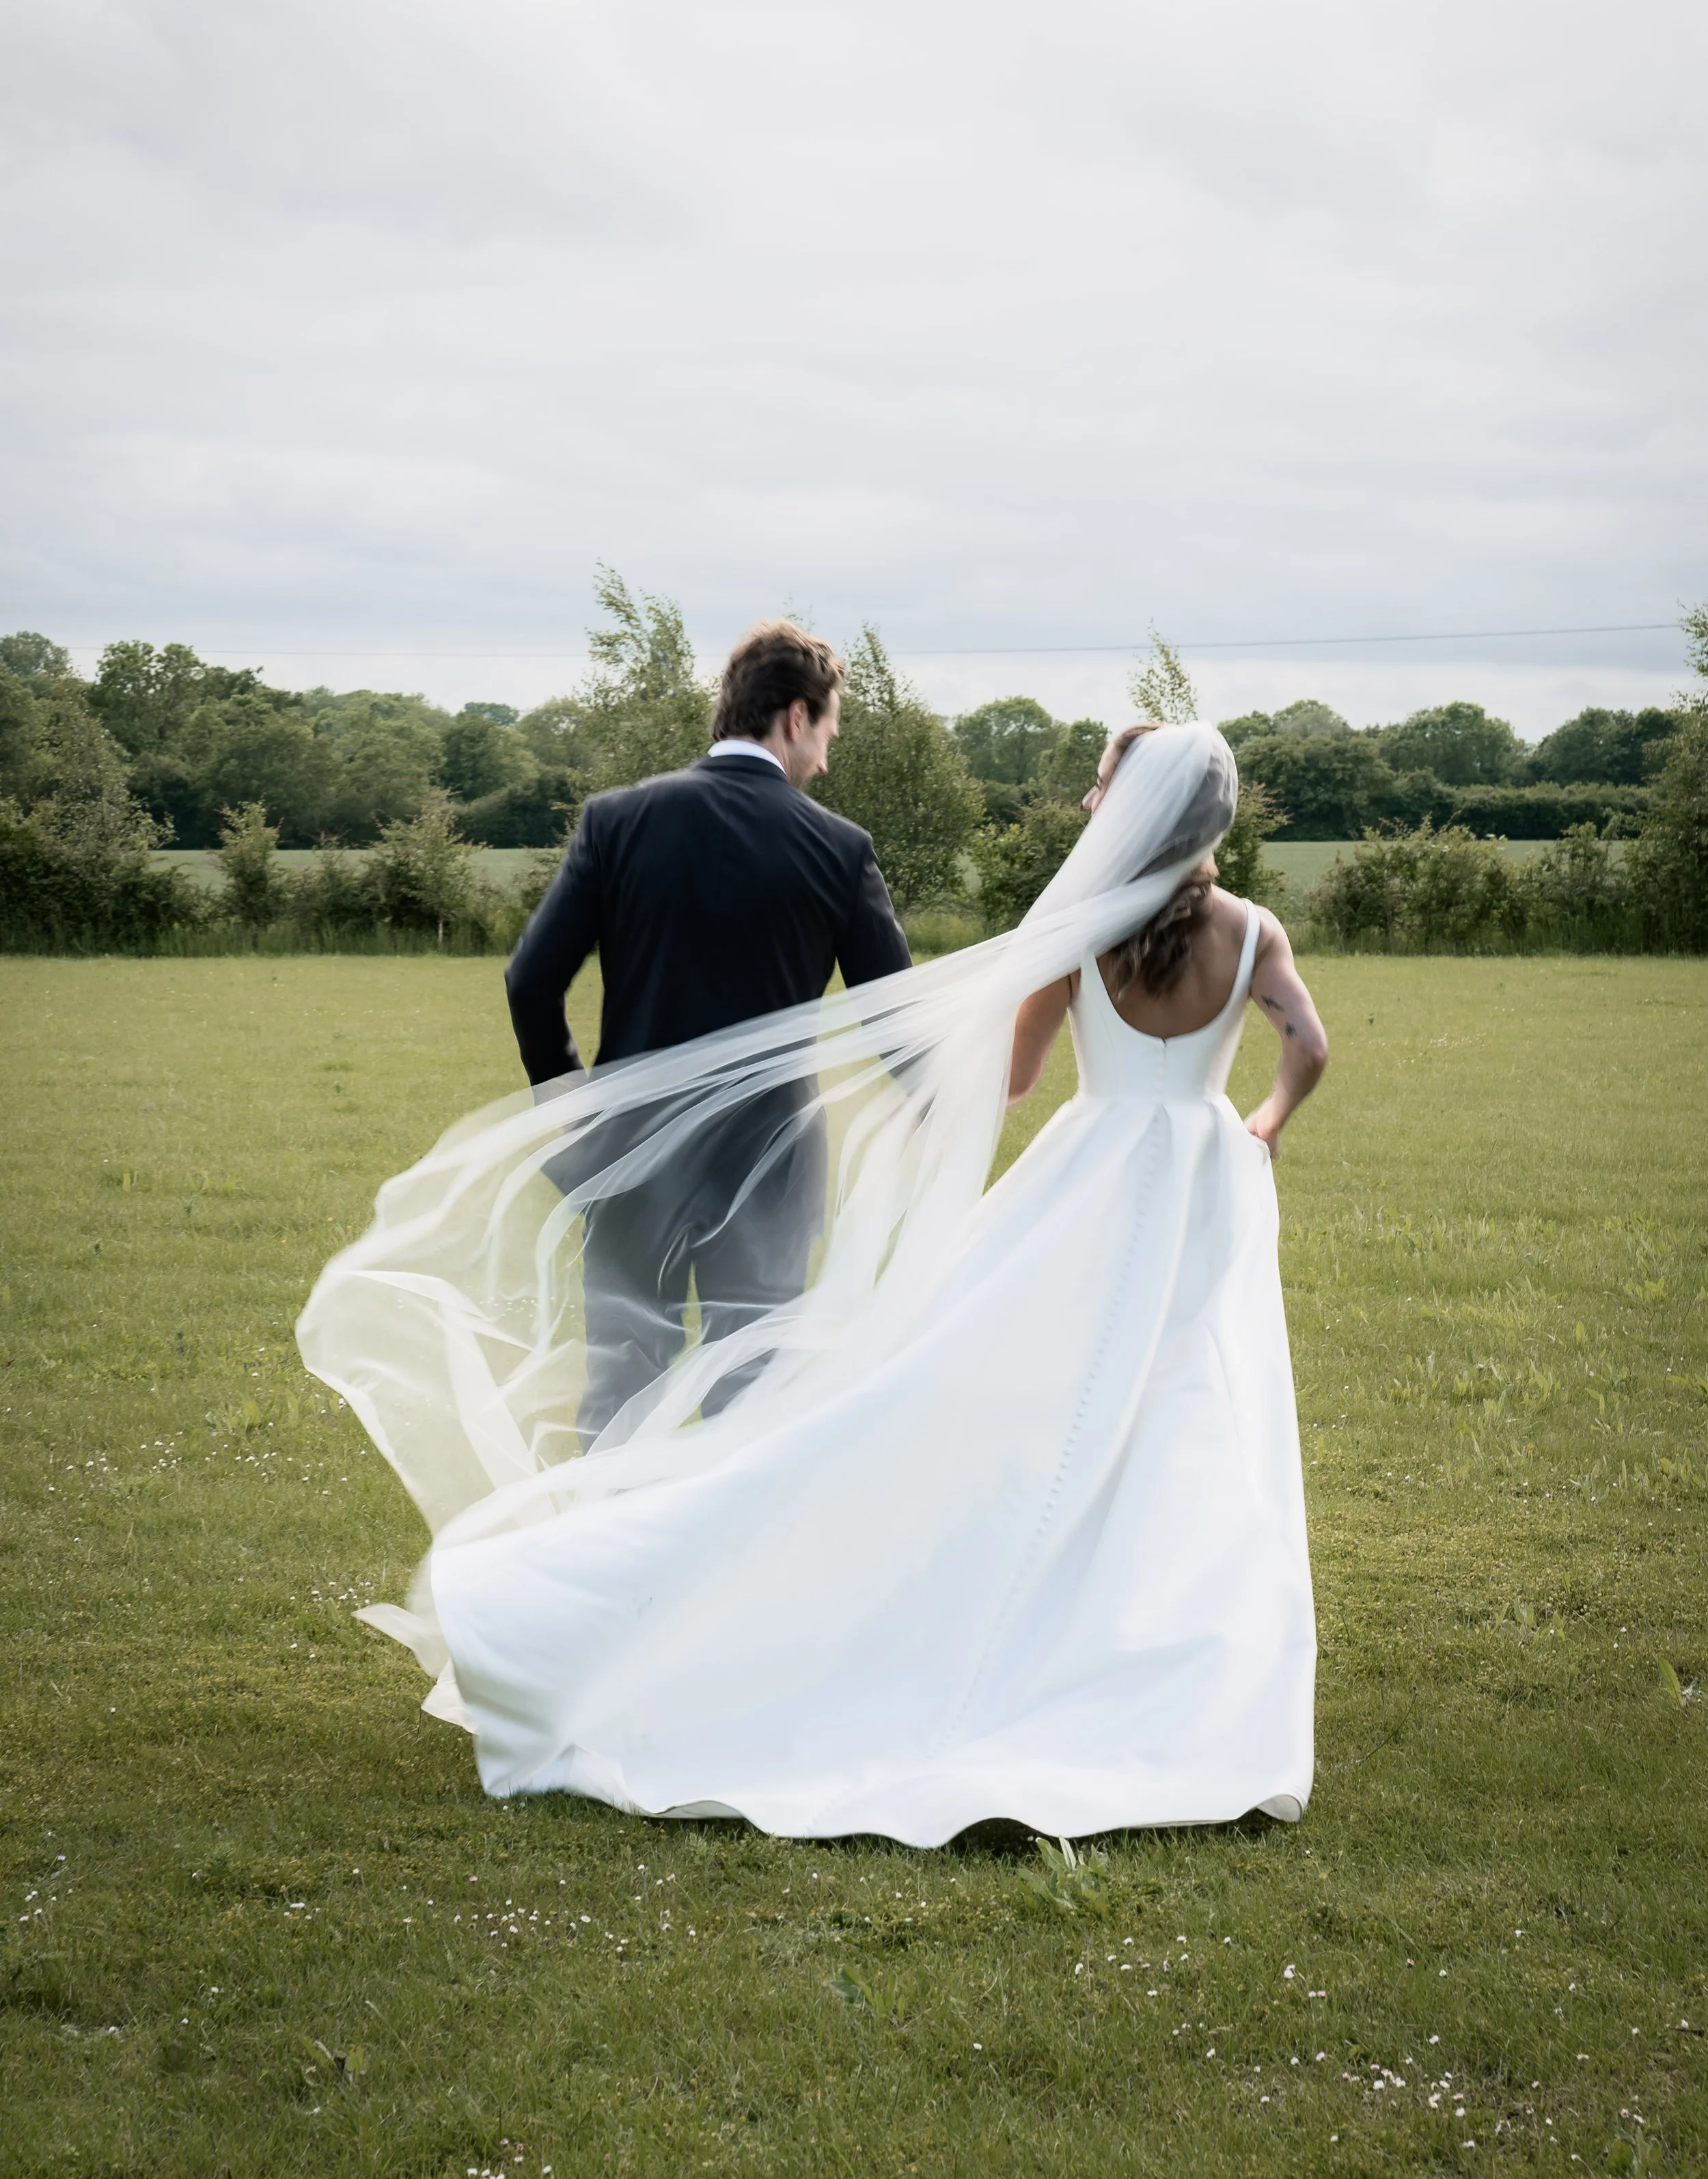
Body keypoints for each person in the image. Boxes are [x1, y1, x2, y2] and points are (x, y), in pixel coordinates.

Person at [299, 720, 1325, 1843]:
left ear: (1138, 814)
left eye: (1100, 790)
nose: (1089, 807)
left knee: (1014, 1402)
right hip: (1197, 1186)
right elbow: (1308, 1045)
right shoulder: (1256, 931)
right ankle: (1158, 1666)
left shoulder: (1085, 938)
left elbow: (1019, 1078)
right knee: (1180, 1410)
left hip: (1084, 1187)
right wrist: (1260, 1121)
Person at [504, 620, 911, 1440]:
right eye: (829, 731)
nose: (825, 757)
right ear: (795, 718)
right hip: (769, 1173)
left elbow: (530, 982)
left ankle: (601, 1560)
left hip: (629, 1161)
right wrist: (960, 1106)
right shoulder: (837, 849)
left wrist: (581, 1121)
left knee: (621, 1388)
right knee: (752, 1401)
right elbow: (897, 1026)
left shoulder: (616, 821)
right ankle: (726, 1568)